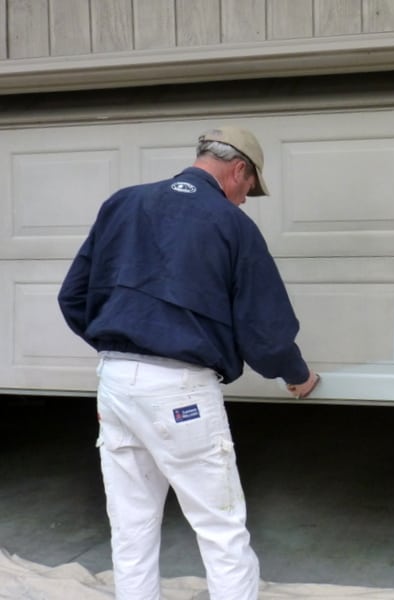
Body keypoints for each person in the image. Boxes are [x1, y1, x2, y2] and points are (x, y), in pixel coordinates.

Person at [58, 126, 320, 600]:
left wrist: (119, 346)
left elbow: (73, 295)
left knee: (131, 526)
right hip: (181, 392)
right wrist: (297, 376)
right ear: (239, 169)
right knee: (221, 528)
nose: (244, 200)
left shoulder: (123, 203)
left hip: (115, 383)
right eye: (249, 189)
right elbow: (265, 329)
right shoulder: (232, 224)